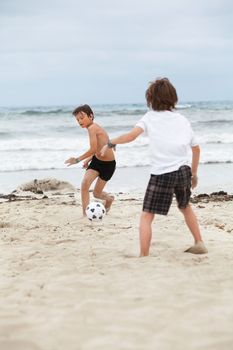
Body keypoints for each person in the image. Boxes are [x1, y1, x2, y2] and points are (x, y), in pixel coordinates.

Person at [101, 78, 208, 256]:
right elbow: (196, 149)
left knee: (147, 215)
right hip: (183, 170)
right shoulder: (182, 119)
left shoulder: (149, 117)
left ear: (150, 99)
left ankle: (144, 255)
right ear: (173, 98)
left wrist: (111, 142)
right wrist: (194, 174)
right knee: (185, 206)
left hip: (162, 173)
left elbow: (131, 136)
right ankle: (199, 242)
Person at [65, 104, 116, 215]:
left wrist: (77, 160)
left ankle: (110, 199)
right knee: (84, 184)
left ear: (91, 116)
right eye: (77, 119)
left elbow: (93, 149)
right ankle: (85, 213)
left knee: (97, 194)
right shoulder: (92, 128)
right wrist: (89, 159)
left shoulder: (93, 128)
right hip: (97, 161)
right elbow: (99, 148)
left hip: (108, 165)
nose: (79, 121)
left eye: (82, 118)